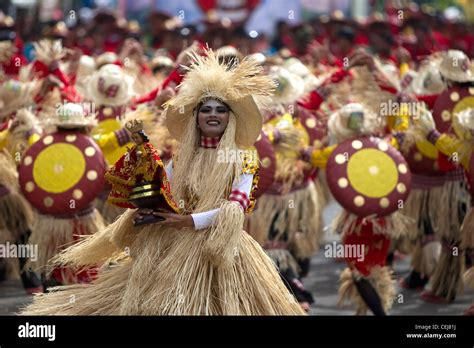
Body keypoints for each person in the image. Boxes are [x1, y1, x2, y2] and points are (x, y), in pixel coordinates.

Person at [21, 49, 306, 315]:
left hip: (219, 249)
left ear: (230, 118)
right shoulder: (180, 159)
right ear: (195, 117)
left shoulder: (243, 159)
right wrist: (144, 209)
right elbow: (162, 191)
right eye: (205, 109)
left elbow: (236, 208)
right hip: (171, 243)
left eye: (220, 110)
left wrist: (190, 221)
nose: (213, 115)